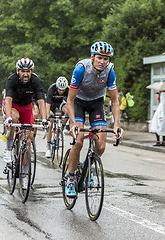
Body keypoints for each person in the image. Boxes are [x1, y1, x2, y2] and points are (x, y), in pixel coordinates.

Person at [65, 41, 124, 197]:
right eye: (99, 58)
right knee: (78, 141)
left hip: (96, 104)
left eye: (106, 59)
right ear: (92, 57)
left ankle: (87, 166)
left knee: (101, 146)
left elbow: (114, 101)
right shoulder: (81, 69)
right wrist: (72, 123)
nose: (102, 62)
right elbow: (69, 100)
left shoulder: (110, 71)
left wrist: (117, 124)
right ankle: (71, 178)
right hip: (78, 102)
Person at [3, 58, 50, 188]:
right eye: (23, 71)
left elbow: (41, 102)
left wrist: (45, 119)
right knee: (13, 118)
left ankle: (24, 175)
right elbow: (7, 100)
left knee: (27, 141)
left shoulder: (36, 81)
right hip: (13, 106)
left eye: (28, 71)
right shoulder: (12, 80)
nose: (25, 74)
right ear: (18, 71)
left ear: (32, 71)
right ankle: (8, 149)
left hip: (27, 108)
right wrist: (7, 118)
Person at [45, 76, 69, 158]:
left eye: (63, 90)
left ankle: (62, 127)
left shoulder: (68, 90)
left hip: (60, 103)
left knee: (68, 111)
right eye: (60, 89)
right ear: (57, 87)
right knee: (50, 122)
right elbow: (47, 105)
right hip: (51, 104)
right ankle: (48, 147)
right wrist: (48, 117)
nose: (61, 91)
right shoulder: (51, 89)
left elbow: (70, 103)